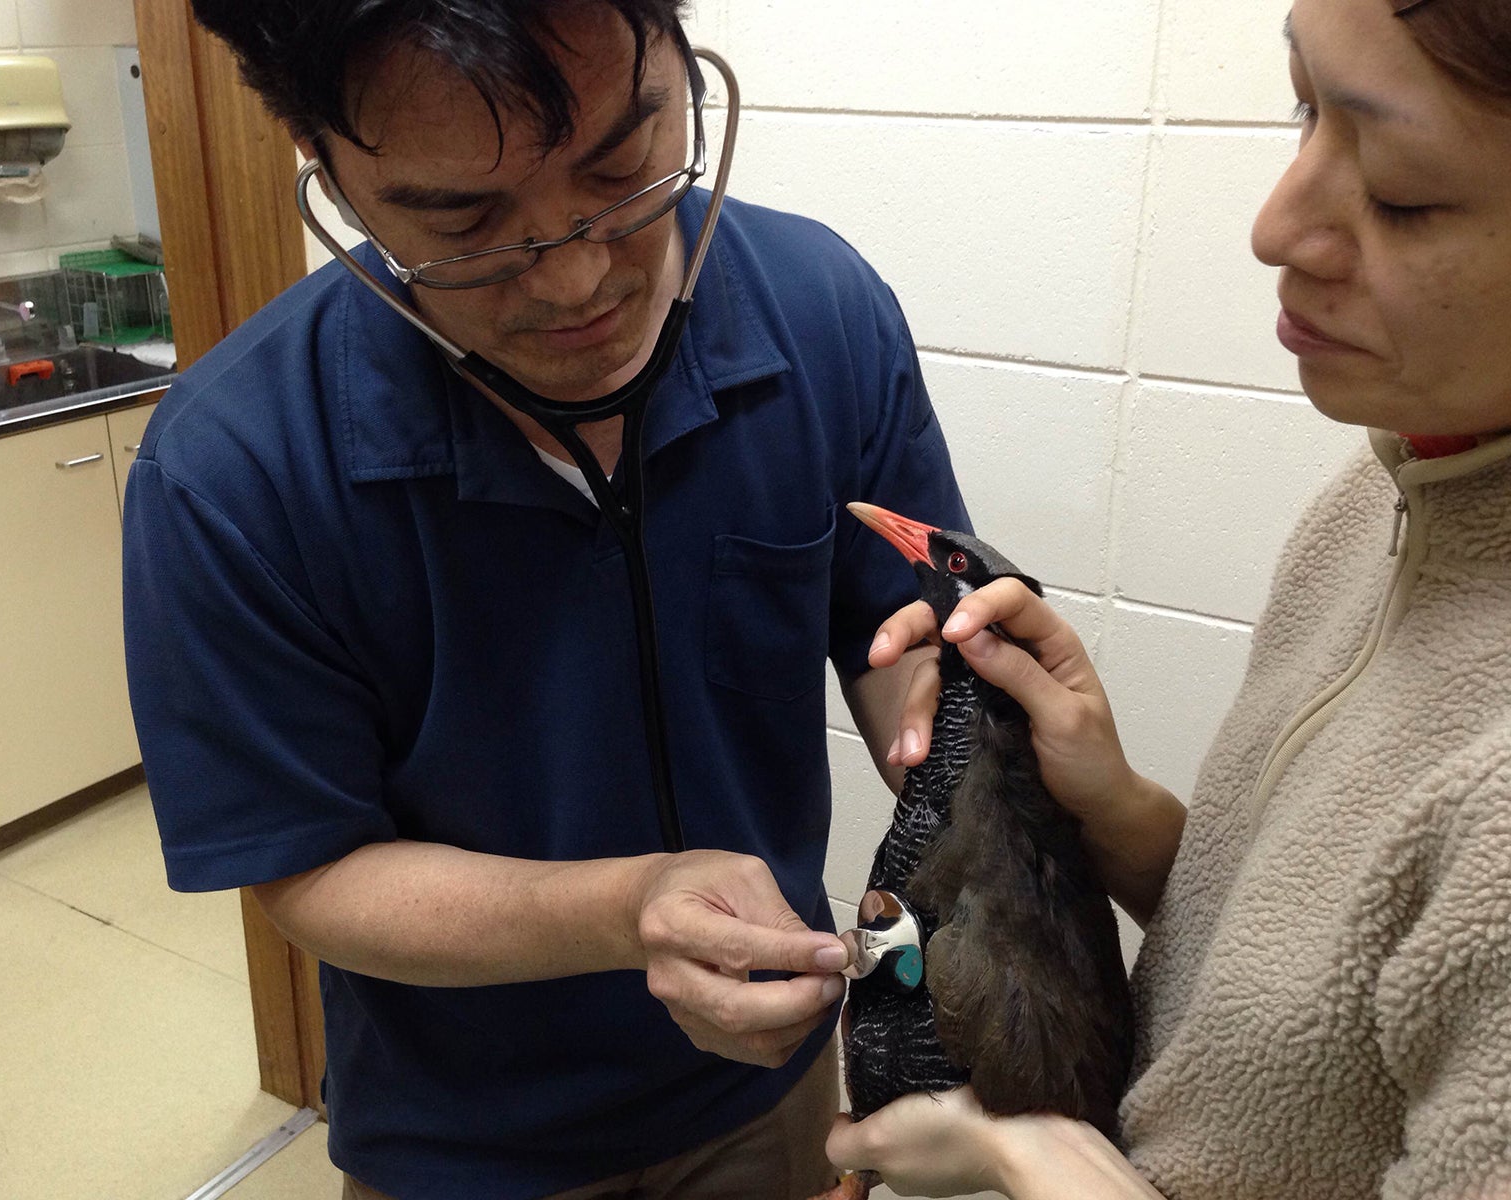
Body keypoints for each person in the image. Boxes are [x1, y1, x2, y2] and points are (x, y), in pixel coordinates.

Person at [121, 3, 969, 1199]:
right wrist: (629, 907)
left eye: (620, 167)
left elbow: (901, 641)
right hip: (462, 1143)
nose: (577, 279)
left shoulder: (820, 309)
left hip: (770, 1089)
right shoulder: (232, 469)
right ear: (325, 164)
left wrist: (960, 736)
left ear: (678, 60)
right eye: (462, 221)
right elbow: (308, 870)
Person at [829, 0, 1511, 1196]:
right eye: (1303, 109)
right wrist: (1118, 812)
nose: (1272, 226)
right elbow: (1335, 972)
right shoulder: (1377, 499)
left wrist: (1027, 1159)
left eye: (1399, 190)